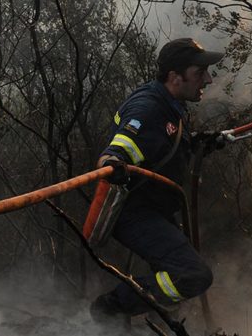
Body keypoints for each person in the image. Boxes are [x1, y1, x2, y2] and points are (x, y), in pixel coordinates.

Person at [90, 37, 224, 325]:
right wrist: (112, 163)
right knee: (192, 275)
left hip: (156, 211)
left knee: (172, 281)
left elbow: (160, 144)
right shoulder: (148, 108)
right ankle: (109, 309)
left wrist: (199, 143)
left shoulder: (169, 103)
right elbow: (116, 150)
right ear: (175, 77)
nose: (208, 79)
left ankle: (145, 322)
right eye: (200, 73)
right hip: (135, 214)